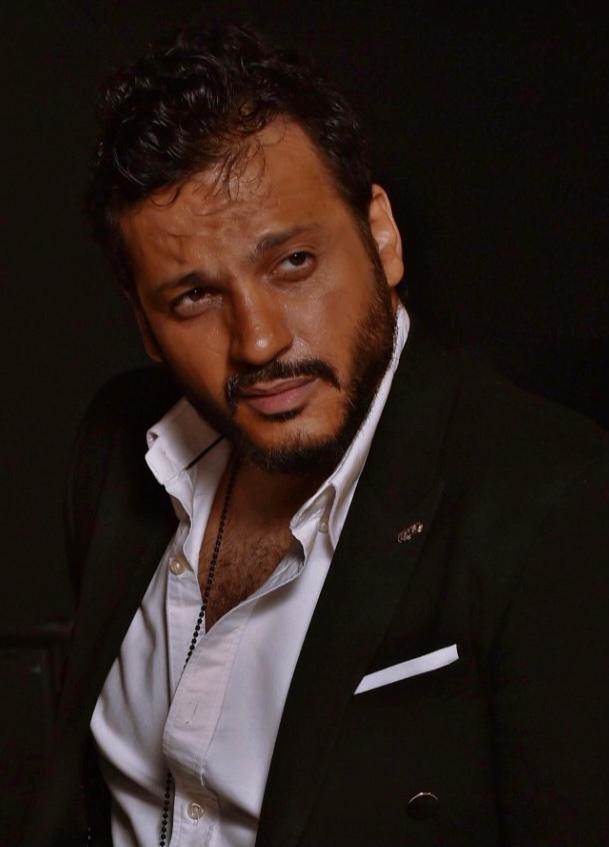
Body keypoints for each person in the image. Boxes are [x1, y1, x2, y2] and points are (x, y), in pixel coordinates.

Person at [25, 22, 608, 847]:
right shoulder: (118, 445)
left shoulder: (555, 501)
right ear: (145, 325)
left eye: (292, 262)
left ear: (381, 236)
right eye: (194, 297)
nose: (259, 340)